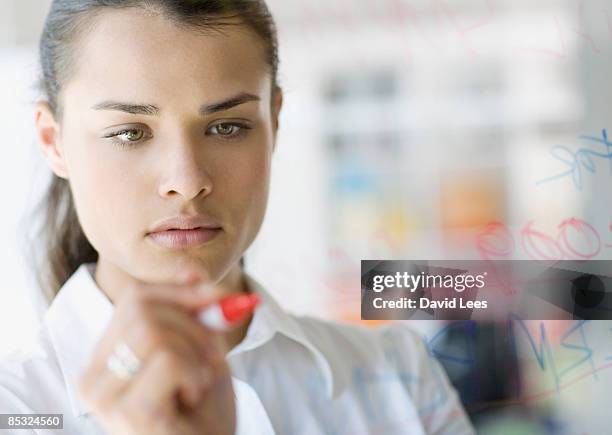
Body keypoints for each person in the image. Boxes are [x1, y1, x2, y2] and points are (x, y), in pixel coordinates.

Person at [0, 1, 475, 434]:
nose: (186, 181)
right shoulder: (17, 411)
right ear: (52, 142)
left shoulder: (398, 378)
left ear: (275, 122)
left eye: (227, 127)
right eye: (129, 133)